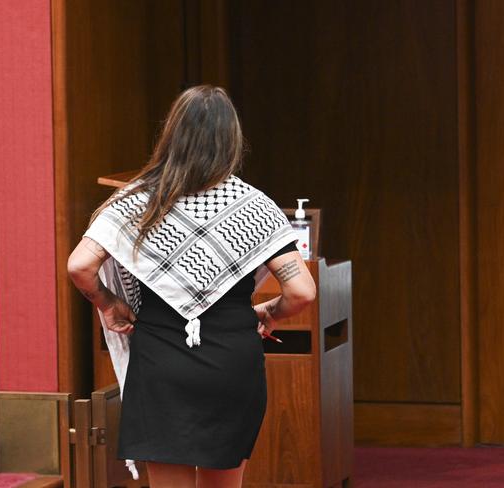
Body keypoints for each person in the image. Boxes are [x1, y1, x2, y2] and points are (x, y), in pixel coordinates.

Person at [67, 85, 317, 488]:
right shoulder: (252, 205)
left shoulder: (138, 199)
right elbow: (302, 291)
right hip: (231, 360)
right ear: (232, 139)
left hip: (161, 360)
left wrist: (109, 303)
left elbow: (80, 265)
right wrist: (268, 313)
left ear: (171, 134)